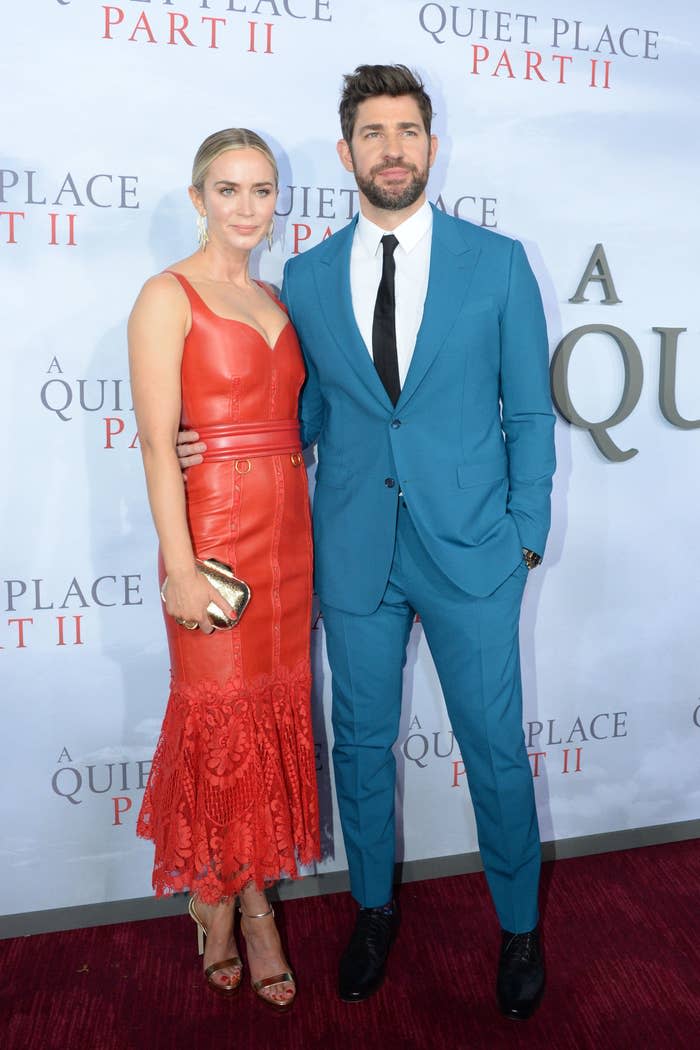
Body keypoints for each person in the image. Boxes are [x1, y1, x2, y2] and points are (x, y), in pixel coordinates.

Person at [178, 65, 556, 1020]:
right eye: (373, 134)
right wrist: (210, 438)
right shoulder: (304, 275)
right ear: (346, 154)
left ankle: (518, 926)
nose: (392, 148)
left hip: (474, 553)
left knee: (495, 749)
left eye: (409, 131)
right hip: (351, 553)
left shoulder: (499, 263)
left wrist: (526, 536)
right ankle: (374, 911)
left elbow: (532, 416)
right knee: (359, 745)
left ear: (432, 147)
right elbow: (297, 410)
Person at [128, 128, 319, 1010]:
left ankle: (249, 896)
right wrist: (178, 566)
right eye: (229, 189)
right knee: (219, 729)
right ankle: (234, 909)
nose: (248, 207)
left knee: (270, 717)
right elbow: (157, 446)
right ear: (198, 195)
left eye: (263, 190)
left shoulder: (279, 297)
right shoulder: (167, 295)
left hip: (288, 535)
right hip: (213, 539)